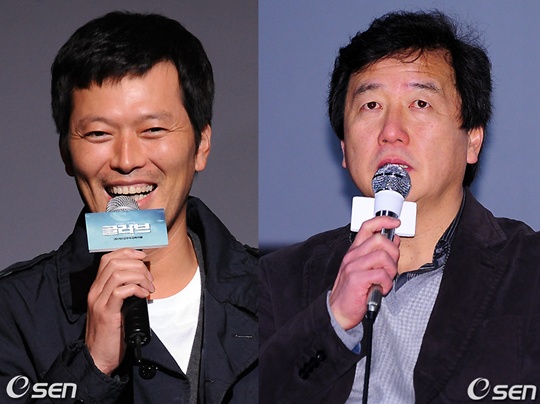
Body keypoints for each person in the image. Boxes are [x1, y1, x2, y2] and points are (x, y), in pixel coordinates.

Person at [259, 10, 540, 403]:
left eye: (420, 103)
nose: (391, 132)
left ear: (473, 140)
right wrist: (333, 321)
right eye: (371, 105)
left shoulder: (528, 270)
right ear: (344, 148)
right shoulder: (276, 280)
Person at [0, 11, 257, 403]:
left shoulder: (276, 290)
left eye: (153, 130)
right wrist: (91, 366)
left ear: (201, 145)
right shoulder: (12, 313)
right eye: (98, 133)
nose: (126, 160)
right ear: (66, 152)